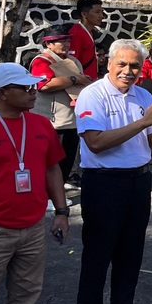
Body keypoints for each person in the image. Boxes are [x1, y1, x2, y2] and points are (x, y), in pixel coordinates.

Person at [75, 39, 152, 304]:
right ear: (109, 63)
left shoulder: (143, 95)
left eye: (135, 65)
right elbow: (95, 142)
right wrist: (146, 120)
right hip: (104, 183)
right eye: (122, 64)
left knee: (131, 255)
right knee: (97, 257)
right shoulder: (93, 94)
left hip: (138, 181)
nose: (128, 71)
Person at [0, 64, 71, 304]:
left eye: (33, 87)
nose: (34, 92)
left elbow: (52, 168)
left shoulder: (41, 125)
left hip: (33, 226)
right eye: (26, 88)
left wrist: (62, 212)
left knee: (27, 293)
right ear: (2, 93)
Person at [30, 27, 89, 187]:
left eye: (68, 40)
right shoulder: (42, 61)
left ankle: (59, 192)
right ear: (48, 44)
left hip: (72, 119)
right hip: (53, 122)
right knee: (51, 163)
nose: (66, 44)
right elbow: (43, 85)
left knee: (67, 160)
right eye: (61, 41)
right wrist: (74, 79)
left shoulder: (73, 61)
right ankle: (47, 194)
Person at [70, 0, 104, 81]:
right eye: (97, 12)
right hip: (82, 82)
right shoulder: (76, 33)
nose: (101, 16)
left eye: (102, 12)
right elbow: (72, 61)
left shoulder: (88, 32)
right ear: (84, 14)